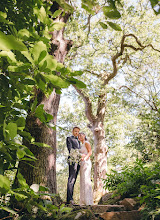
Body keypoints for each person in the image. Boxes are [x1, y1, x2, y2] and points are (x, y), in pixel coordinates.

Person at [66, 126, 81, 205]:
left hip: (78, 161)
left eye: (78, 132)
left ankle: (71, 198)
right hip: (72, 160)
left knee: (74, 180)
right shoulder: (69, 138)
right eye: (75, 131)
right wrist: (78, 154)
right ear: (72, 131)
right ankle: (69, 199)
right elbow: (70, 150)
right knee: (71, 179)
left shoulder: (79, 141)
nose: (77, 133)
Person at [78, 132, 93, 206]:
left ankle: (88, 201)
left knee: (86, 180)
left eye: (80, 135)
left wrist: (85, 159)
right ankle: (83, 201)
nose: (79, 137)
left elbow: (90, 152)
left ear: (84, 136)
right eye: (78, 136)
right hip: (82, 163)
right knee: (82, 180)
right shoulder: (80, 145)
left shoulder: (86, 143)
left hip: (86, 162)